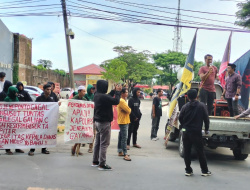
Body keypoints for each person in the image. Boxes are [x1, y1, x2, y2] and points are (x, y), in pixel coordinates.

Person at [179, 89, 211, 177]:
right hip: (196, 132)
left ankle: (188, 170)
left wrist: (184, 125)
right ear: (197, 96)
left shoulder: (185, 106)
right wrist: (207, 129)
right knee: (200, 151)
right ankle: (204, 170)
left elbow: (180, 117)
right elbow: (206, 119)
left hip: (186, 132)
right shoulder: (202, 106)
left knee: (187, 151)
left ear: (188, 97)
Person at [92, 80, 121, 171]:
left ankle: (95, 161)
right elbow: (116, 101)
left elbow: (108, 96)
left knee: (98, 142)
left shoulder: (97, 95)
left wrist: (114, 91)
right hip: (104, 122)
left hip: (97, 121)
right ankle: (102, 164)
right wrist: (118, 92)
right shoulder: (103, 96)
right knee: (104, 144)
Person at [28, 84, 54, 156]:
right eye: (47, 89)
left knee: (44, 135)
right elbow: (36, 108)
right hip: (38, 120)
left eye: (50, 90)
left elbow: (53, 109)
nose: (49, 91)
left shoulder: (50, 100)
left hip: (46, 121)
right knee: (36, 135)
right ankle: (32, 149)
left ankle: (44, 149)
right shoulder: (39, 99)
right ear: (44, 90)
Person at [4, 86, 25, 155]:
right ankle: (7, 149)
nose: (16, 94)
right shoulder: (7, 99)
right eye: (15, 92)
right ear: (12, 92)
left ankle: (17, 148)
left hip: (16, 119)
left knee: (16, 134)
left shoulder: (16, 98)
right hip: (8, 120)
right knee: (8, 134)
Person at [71, 85, 87, 156]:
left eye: (84, 91)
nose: (84, 93)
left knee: (81, 135)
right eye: (83, 91)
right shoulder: (74, 99)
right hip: (75, 119)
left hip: (82, 119)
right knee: (77, 135)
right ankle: (74, 147)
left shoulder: (84, 99)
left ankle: (76, 148)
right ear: (79, 91)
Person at [117, 88, 131, 161]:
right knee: (124, 138)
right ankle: (125, 154)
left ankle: (120, 151)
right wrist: (128, 110)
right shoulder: (122, 101)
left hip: (123, 120)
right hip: (123, 121)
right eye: (126, 92)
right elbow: (129, 110)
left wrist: (127, 110)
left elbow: (127, 110)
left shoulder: (123, 101)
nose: (127, 93)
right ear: (122, 93)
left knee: (121, 136)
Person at [84, 84, 96, 153]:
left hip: (92, 117)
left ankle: (90, 147)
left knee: (93, 133)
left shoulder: (94, 96)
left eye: (93, 89)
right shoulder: (85, 96)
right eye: (91, 89)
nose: (92, 90)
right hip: (85, 117)